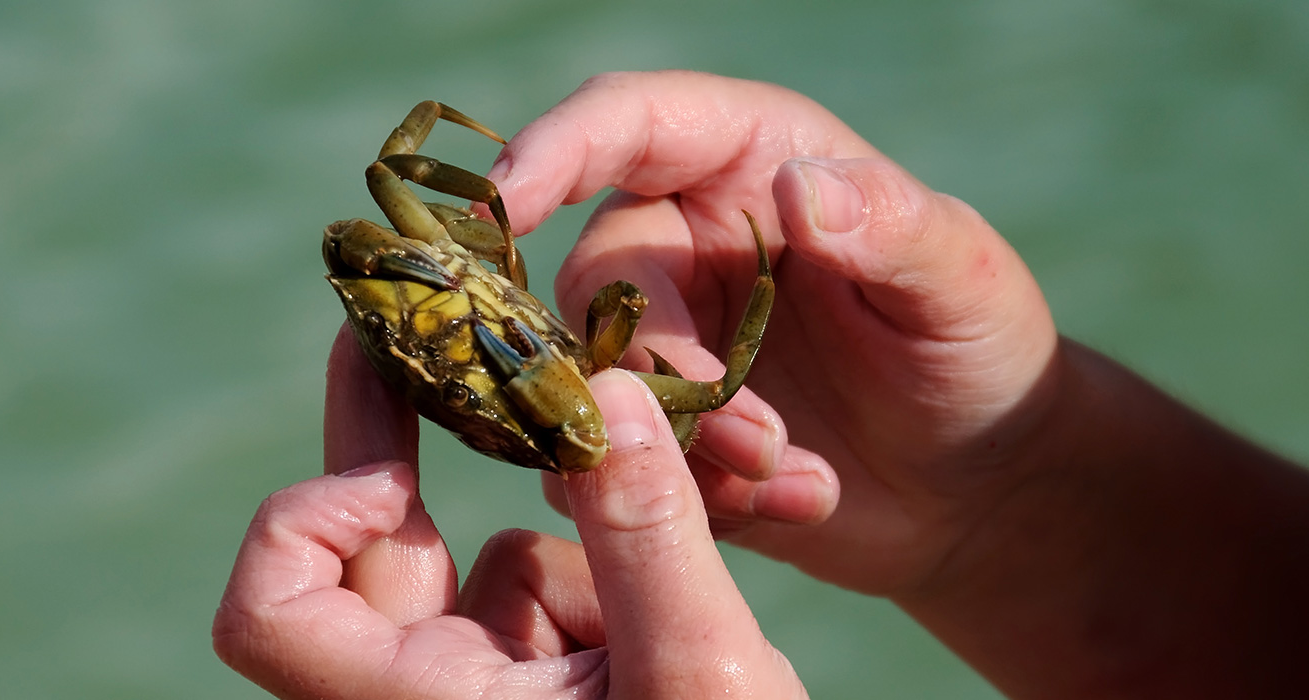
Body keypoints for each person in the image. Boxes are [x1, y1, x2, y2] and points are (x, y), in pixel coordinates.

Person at [213, 71, 1309, 698]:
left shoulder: (479, 283)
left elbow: (406, 174)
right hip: (534, 395)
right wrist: (997, 494)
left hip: (547, 390)